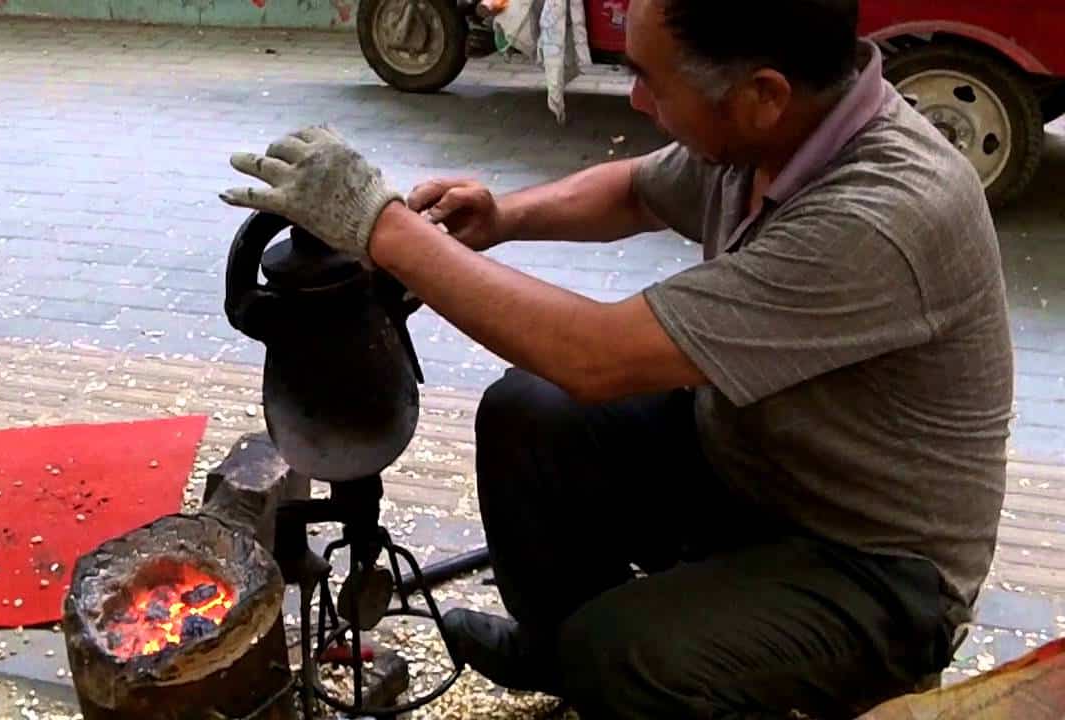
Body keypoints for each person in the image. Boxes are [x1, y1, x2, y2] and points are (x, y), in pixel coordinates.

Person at [220, 0, 1015, 716]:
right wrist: (499, 218)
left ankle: (607, 664)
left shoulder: (880, 216)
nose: (638, 100)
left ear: (762, 94)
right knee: (527, 412)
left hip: (874, 565)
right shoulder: (781, 128)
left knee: (630, 660)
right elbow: (637, 190)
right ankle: (558, 648)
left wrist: (386, 228)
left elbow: (595, 356)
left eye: (649, 81)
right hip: (753, 459)